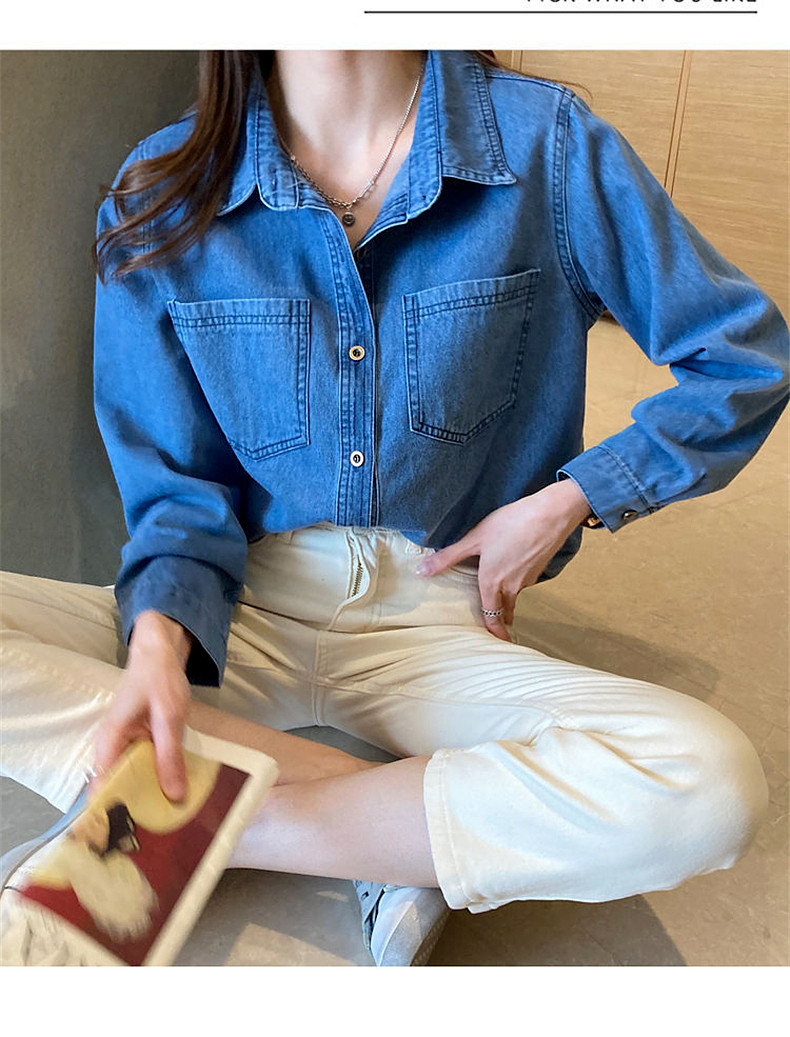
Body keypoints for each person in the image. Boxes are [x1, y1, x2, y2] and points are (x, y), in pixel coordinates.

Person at [1, 49, 788, 968]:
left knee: (710, 783)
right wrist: (158, 649)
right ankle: (391, 827)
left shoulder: (547, 147)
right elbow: (177, 490)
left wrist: (570, 498)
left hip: (437, 614)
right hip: (233, 613)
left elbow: (745, 359)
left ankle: (208, 817)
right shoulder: (162, 187)